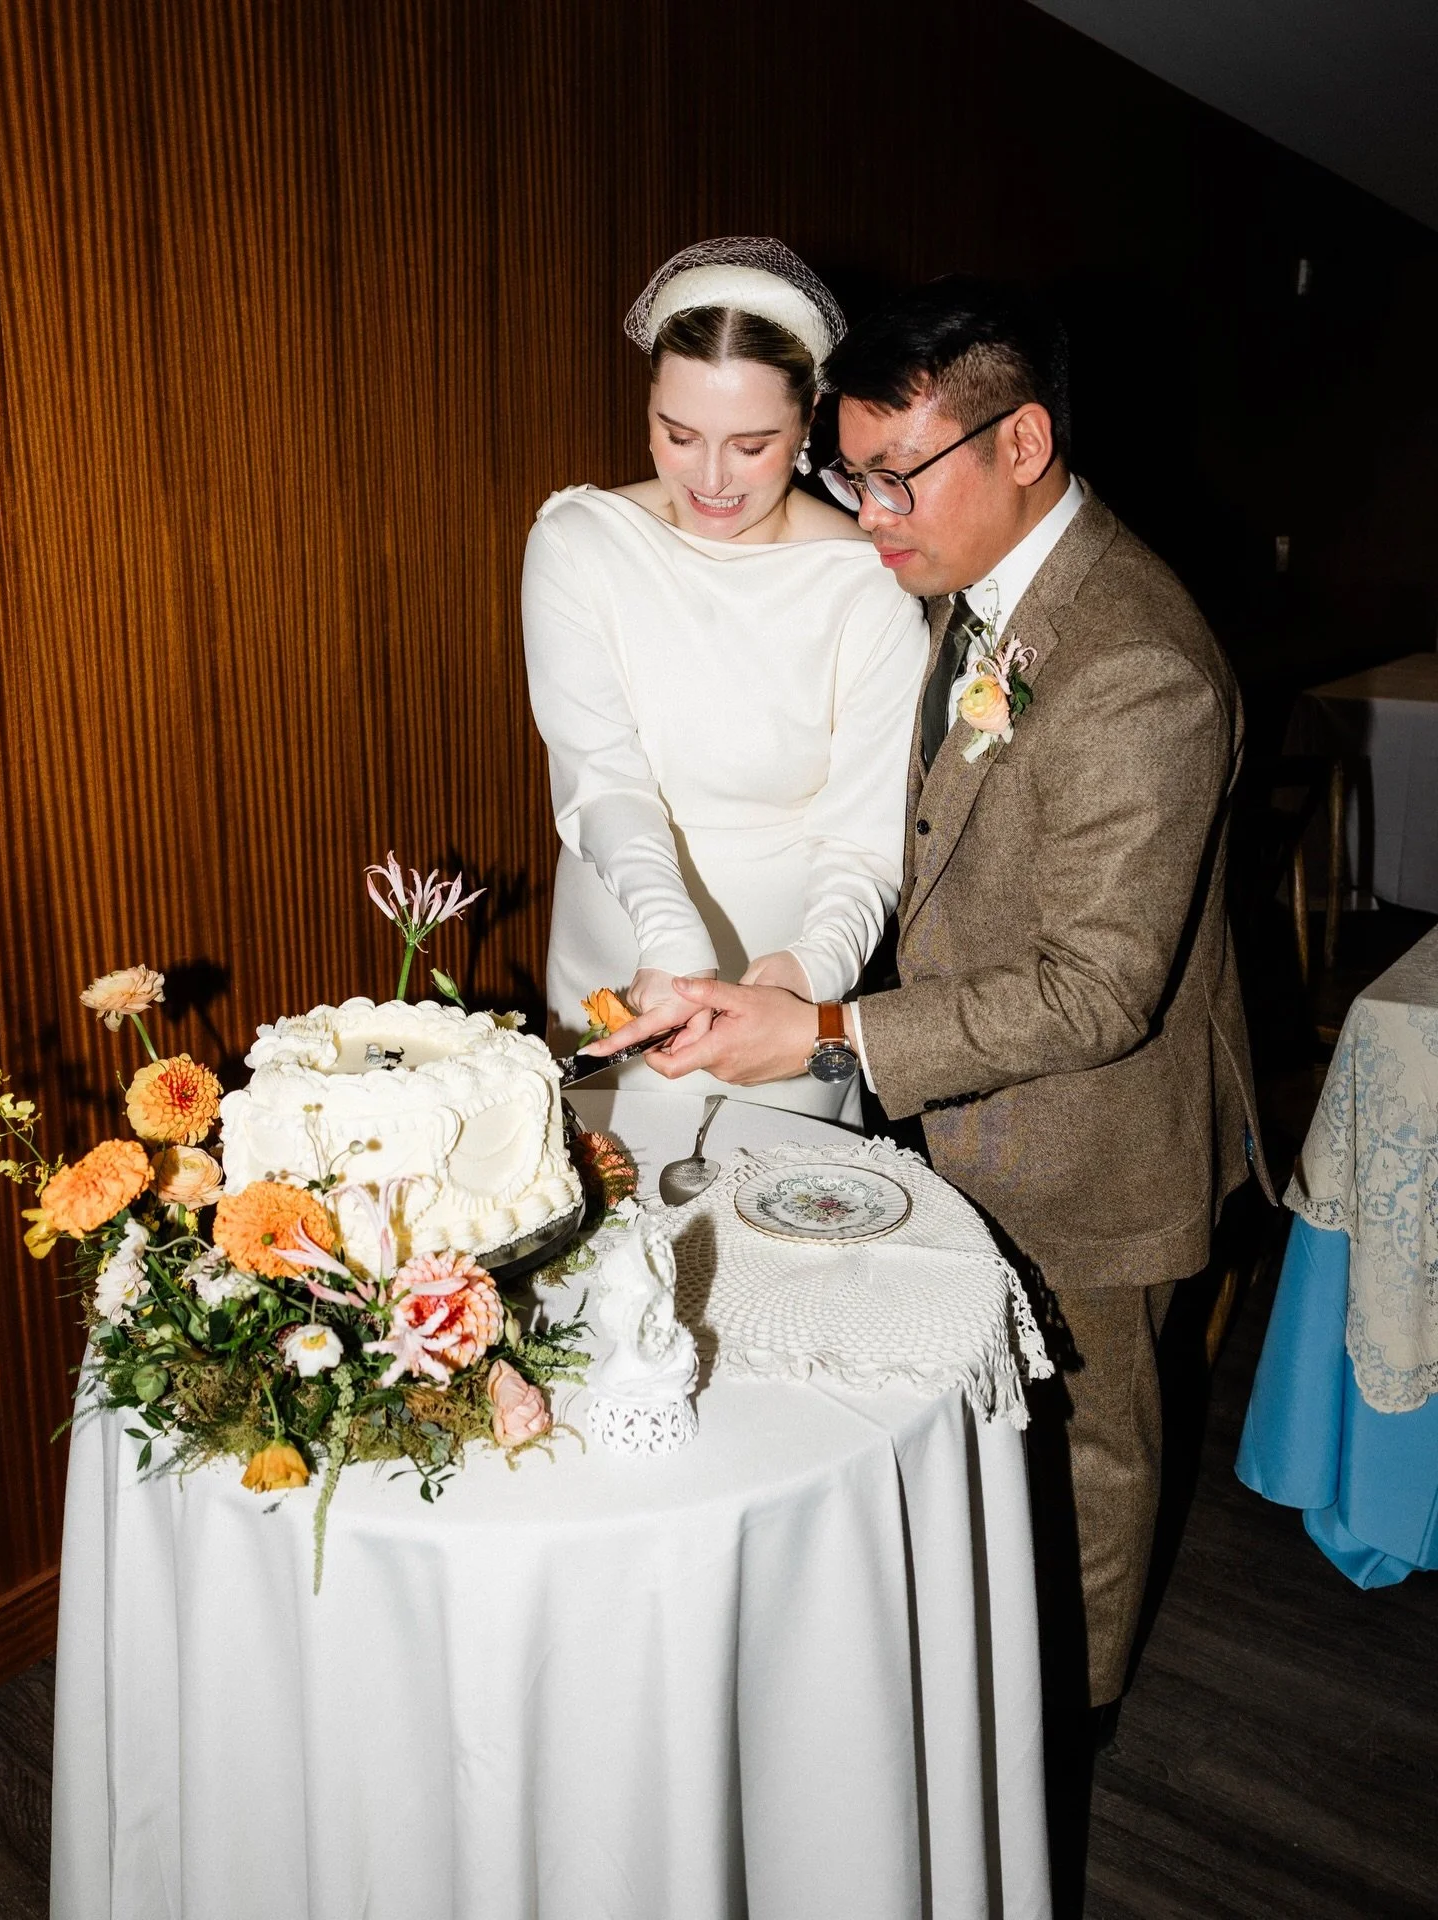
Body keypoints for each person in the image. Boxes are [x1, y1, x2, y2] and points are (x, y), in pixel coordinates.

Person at [593, 274, 1272, 1732]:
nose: (871, 514)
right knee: (975, 1432)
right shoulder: (974, 584)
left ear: (1022, 442)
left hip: (1095, 1145)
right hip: (962, 1116)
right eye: (853, 475)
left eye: (898, 475)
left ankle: (1062, 1739)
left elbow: (1099, 992)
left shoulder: (1138, 666)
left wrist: (830, 1033)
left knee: (1086, 1459)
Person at [523, 238, 927, 1120]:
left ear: (810, 417)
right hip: (621, 952)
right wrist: (669, 933)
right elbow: (601, 774)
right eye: (679, 435)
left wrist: (810, 971)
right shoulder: (577, 544)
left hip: (787, 978)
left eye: (750, 445)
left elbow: (863, 837)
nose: (709, 478)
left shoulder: (868, 582)